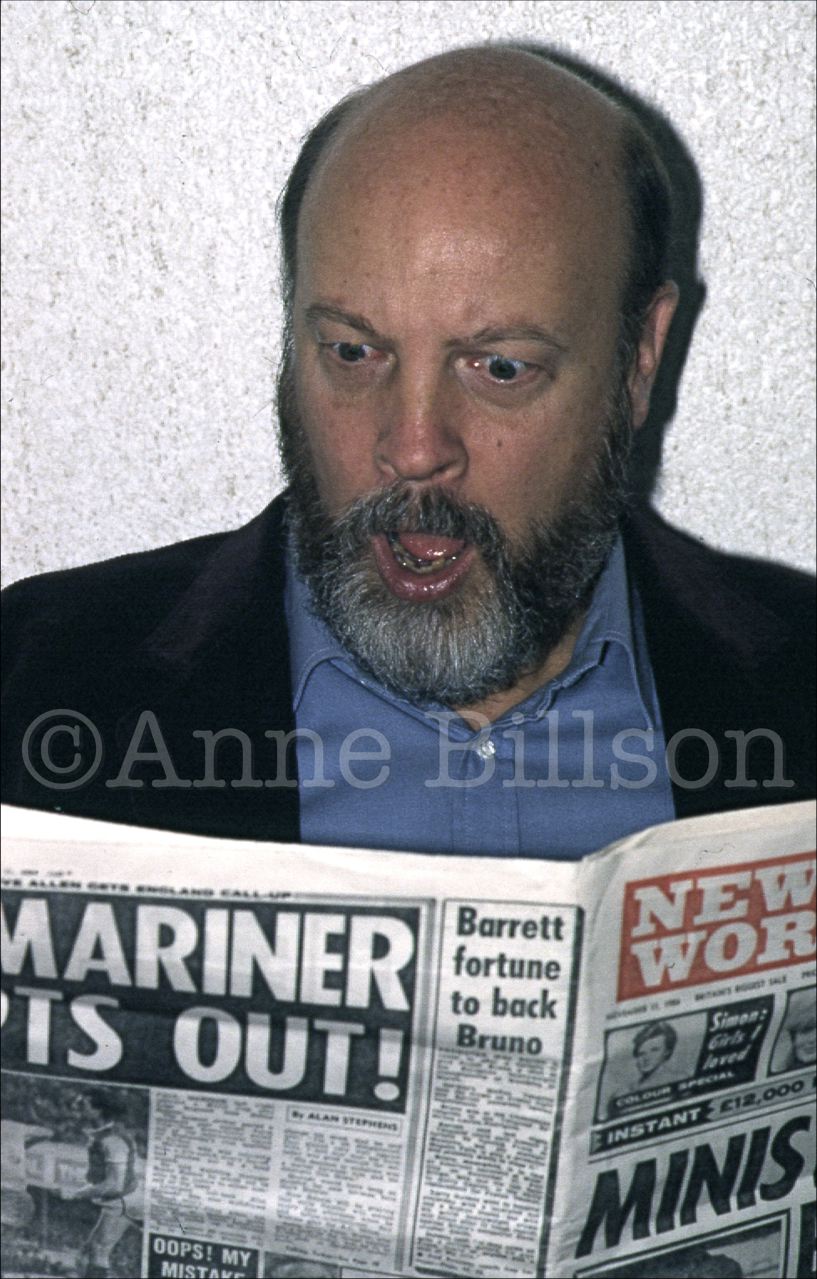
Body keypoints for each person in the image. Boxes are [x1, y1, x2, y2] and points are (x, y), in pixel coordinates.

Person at [2, 46, 814, 857]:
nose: (413, 448)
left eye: (500, 368)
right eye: (354, 353)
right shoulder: (30, 688)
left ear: (639, 357)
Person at [60, 1089, 141, 1279]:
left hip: (124, 1199)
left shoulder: (113, 1140)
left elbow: (115, 1184)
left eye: (82, 1104)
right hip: (118, 1199)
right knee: (91, 1249)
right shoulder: (102, 1135)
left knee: (99, 1248)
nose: (75, 1107)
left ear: (98, 1110)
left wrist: (76, 1193)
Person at [605, 1020, 683, 1117]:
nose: (646, 1058)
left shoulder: (681, 1081)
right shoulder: (622, 1094)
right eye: (641, 1053)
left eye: (654, 1050)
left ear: (667, 1051)